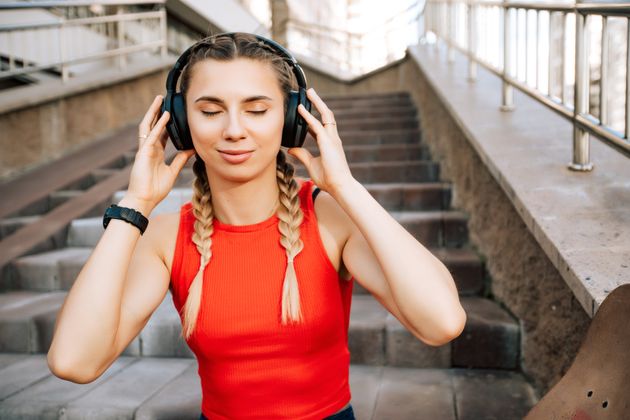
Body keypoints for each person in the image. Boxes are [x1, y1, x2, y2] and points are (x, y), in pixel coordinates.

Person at [47, 32, 466, 419]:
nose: (233, 130)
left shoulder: (329, 218)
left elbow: (441, 322)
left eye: (257, 109)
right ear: (179, 123)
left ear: (290, 119)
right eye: (210, 110)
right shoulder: (164, 237)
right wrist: (134, 205)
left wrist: (346, 187)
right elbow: (74, 362)